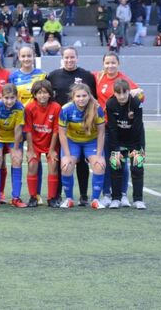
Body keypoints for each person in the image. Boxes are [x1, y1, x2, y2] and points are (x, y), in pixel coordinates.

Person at [47, 47, 97, 206]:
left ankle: (83, 195)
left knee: (82, 161)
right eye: (66, 57)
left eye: (72, 57)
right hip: (61, 126)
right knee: (62, 160)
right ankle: (59, 195)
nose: (69, 60)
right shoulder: (53, 76)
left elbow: (94, 100)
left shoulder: (87, 76)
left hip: (81, 126)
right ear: (62, 59)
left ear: (77, 57)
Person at [94, 51, 144, 207]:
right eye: (107, 63)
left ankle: (122, 194)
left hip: (124, 129)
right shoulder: (98, 77)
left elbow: (140, 96)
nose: (110, 66)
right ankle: (108, 195)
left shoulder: (124, 80)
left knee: (124, 162)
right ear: (103, 64)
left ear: (118, 64)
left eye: (113, 63)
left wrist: (139, 93)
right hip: (106, 127)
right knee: (108, 162)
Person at [57, 83, 106, 209]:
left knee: (100, 165)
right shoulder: (66, 109)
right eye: (78, 96)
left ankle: (95, 199)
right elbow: (62, 134)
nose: (81, 99)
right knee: (66, 166)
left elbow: (101, 133)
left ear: (89, 96)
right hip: (72, 141)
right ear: (73, 97)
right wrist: (67, 156)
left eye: (84, 95)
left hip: (91, 141)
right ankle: (69, 199)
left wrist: (99, 155)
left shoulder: (97, 108)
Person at [105, 79, 146, 209]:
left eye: (125, 93)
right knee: (116, 167)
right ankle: (116, 198)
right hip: (118, 139)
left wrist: (135, 148)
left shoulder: (136, 103)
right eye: (119, 93)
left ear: (129, 91)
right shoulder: (110, 103)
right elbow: (112, 127)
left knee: (137, 168)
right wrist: (116, 147)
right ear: (114, 93)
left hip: (136, 139)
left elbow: (137, 125)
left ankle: (138, 199)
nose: (122, 96)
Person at [23, 80, 61, 207]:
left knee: (53, 165)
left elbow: (56, 130)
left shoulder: (56, 107)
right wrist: (30, 149)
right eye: (39, 93)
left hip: (51, 143)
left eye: (45, 92)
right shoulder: (29, 107)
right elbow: (28, 130)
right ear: (34, 94)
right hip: (35, 144)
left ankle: (51, 198)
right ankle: (33, 197)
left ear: (50, 94)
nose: (42, 95)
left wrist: (52, 150)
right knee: (32, 165)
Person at [0, 83, 26, 208]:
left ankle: (16, 198)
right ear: (1, 96)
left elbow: (18, 129)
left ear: (17, 97)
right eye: (6, 98)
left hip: (13, 136)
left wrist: (15, 148)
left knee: (17, 160)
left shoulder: (20, 108)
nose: (9, 101)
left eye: (12, 98)